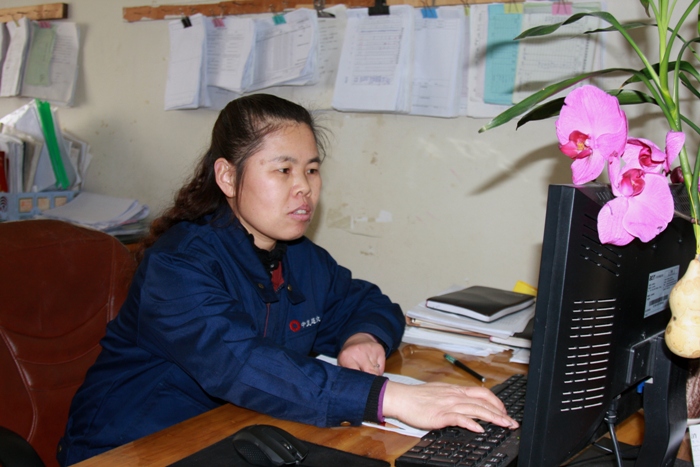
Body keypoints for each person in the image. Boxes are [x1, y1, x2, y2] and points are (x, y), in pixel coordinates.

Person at [57, 94, 518, 465]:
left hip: (237, 435)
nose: (304, 187)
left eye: (312, 170)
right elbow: (239, 364)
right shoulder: (178, 266)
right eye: (283, 170)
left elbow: (368, 302)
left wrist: (362, 336)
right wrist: (392, 398)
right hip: (131, 446)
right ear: (228, 177)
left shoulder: (297, 255)